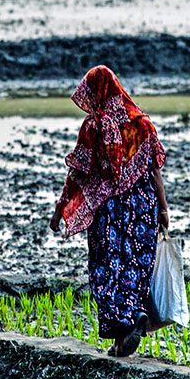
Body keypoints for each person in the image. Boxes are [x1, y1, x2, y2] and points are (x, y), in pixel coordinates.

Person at [49, 65, 169, 357]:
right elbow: (154, 171)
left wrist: (59, 211)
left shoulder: (93, 127)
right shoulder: (140, 123)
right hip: (142, 209)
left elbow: (77, 175)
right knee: (134, 268)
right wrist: (163, 209)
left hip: (108, 215)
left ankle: (123, 333)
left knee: (107, 270)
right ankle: (134, 318)